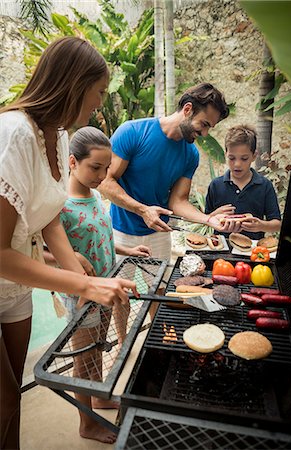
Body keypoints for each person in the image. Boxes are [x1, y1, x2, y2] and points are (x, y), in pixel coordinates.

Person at [0, 36, 139, 449]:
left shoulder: (58, 136)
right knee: (5, 398)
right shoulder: (14, 136)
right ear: (74, 84)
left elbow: (48, 219)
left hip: (15, 289)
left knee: (10, 409)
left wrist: (78, 273)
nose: (98, 104)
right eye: (97, 92)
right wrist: (82, 285)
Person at [45, 125, 151, 412]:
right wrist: (73, 257)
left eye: (106, 168)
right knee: (83, 359)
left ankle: (99, 396)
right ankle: (86, 422)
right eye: (95, 167)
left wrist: (128, 249)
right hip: (82, 295)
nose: (102, 176)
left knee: (97, 348)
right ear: (72, 162)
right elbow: (41, 253)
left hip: (105, 288)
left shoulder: (94, 197)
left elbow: (99, 239)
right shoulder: (61, 207)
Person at [100, 82, 235, 264]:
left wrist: (209, 220)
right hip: (121, 233)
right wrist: (143, 211)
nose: (204, 133)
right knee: (118, 291)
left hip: (160, 235)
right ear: (188, 109)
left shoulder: (191, 155)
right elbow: (106, 182)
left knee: (161, 289)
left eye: (209, 127)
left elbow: (178, 201)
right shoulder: (132, 132)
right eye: (204, 124)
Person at [205, 124, 281, 240]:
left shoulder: (265, 185)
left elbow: (276, 224)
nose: (237, 164)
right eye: (231, 158)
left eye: (244, 158)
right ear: (226, 155)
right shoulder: (216, 185)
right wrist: (215, 215)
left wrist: (261, 225)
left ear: (254, 156)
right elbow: (205, 219)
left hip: (253, 252)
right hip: (221, 250)